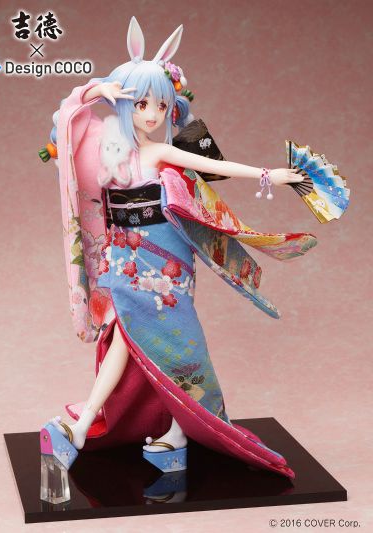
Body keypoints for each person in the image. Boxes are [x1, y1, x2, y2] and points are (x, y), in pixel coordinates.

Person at [42, 16, 316, 478]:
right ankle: (103, 424)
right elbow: (66, 125)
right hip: (125, 261)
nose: (151, 115)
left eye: (161, 105)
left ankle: (161, 429)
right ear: (124, 105)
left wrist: (271, 175)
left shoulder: (159, 152)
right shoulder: (105, 150)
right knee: (126, 339)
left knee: (174, 343)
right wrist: (95, 90)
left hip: (165, 263)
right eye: (141, 103)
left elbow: (215, 166)